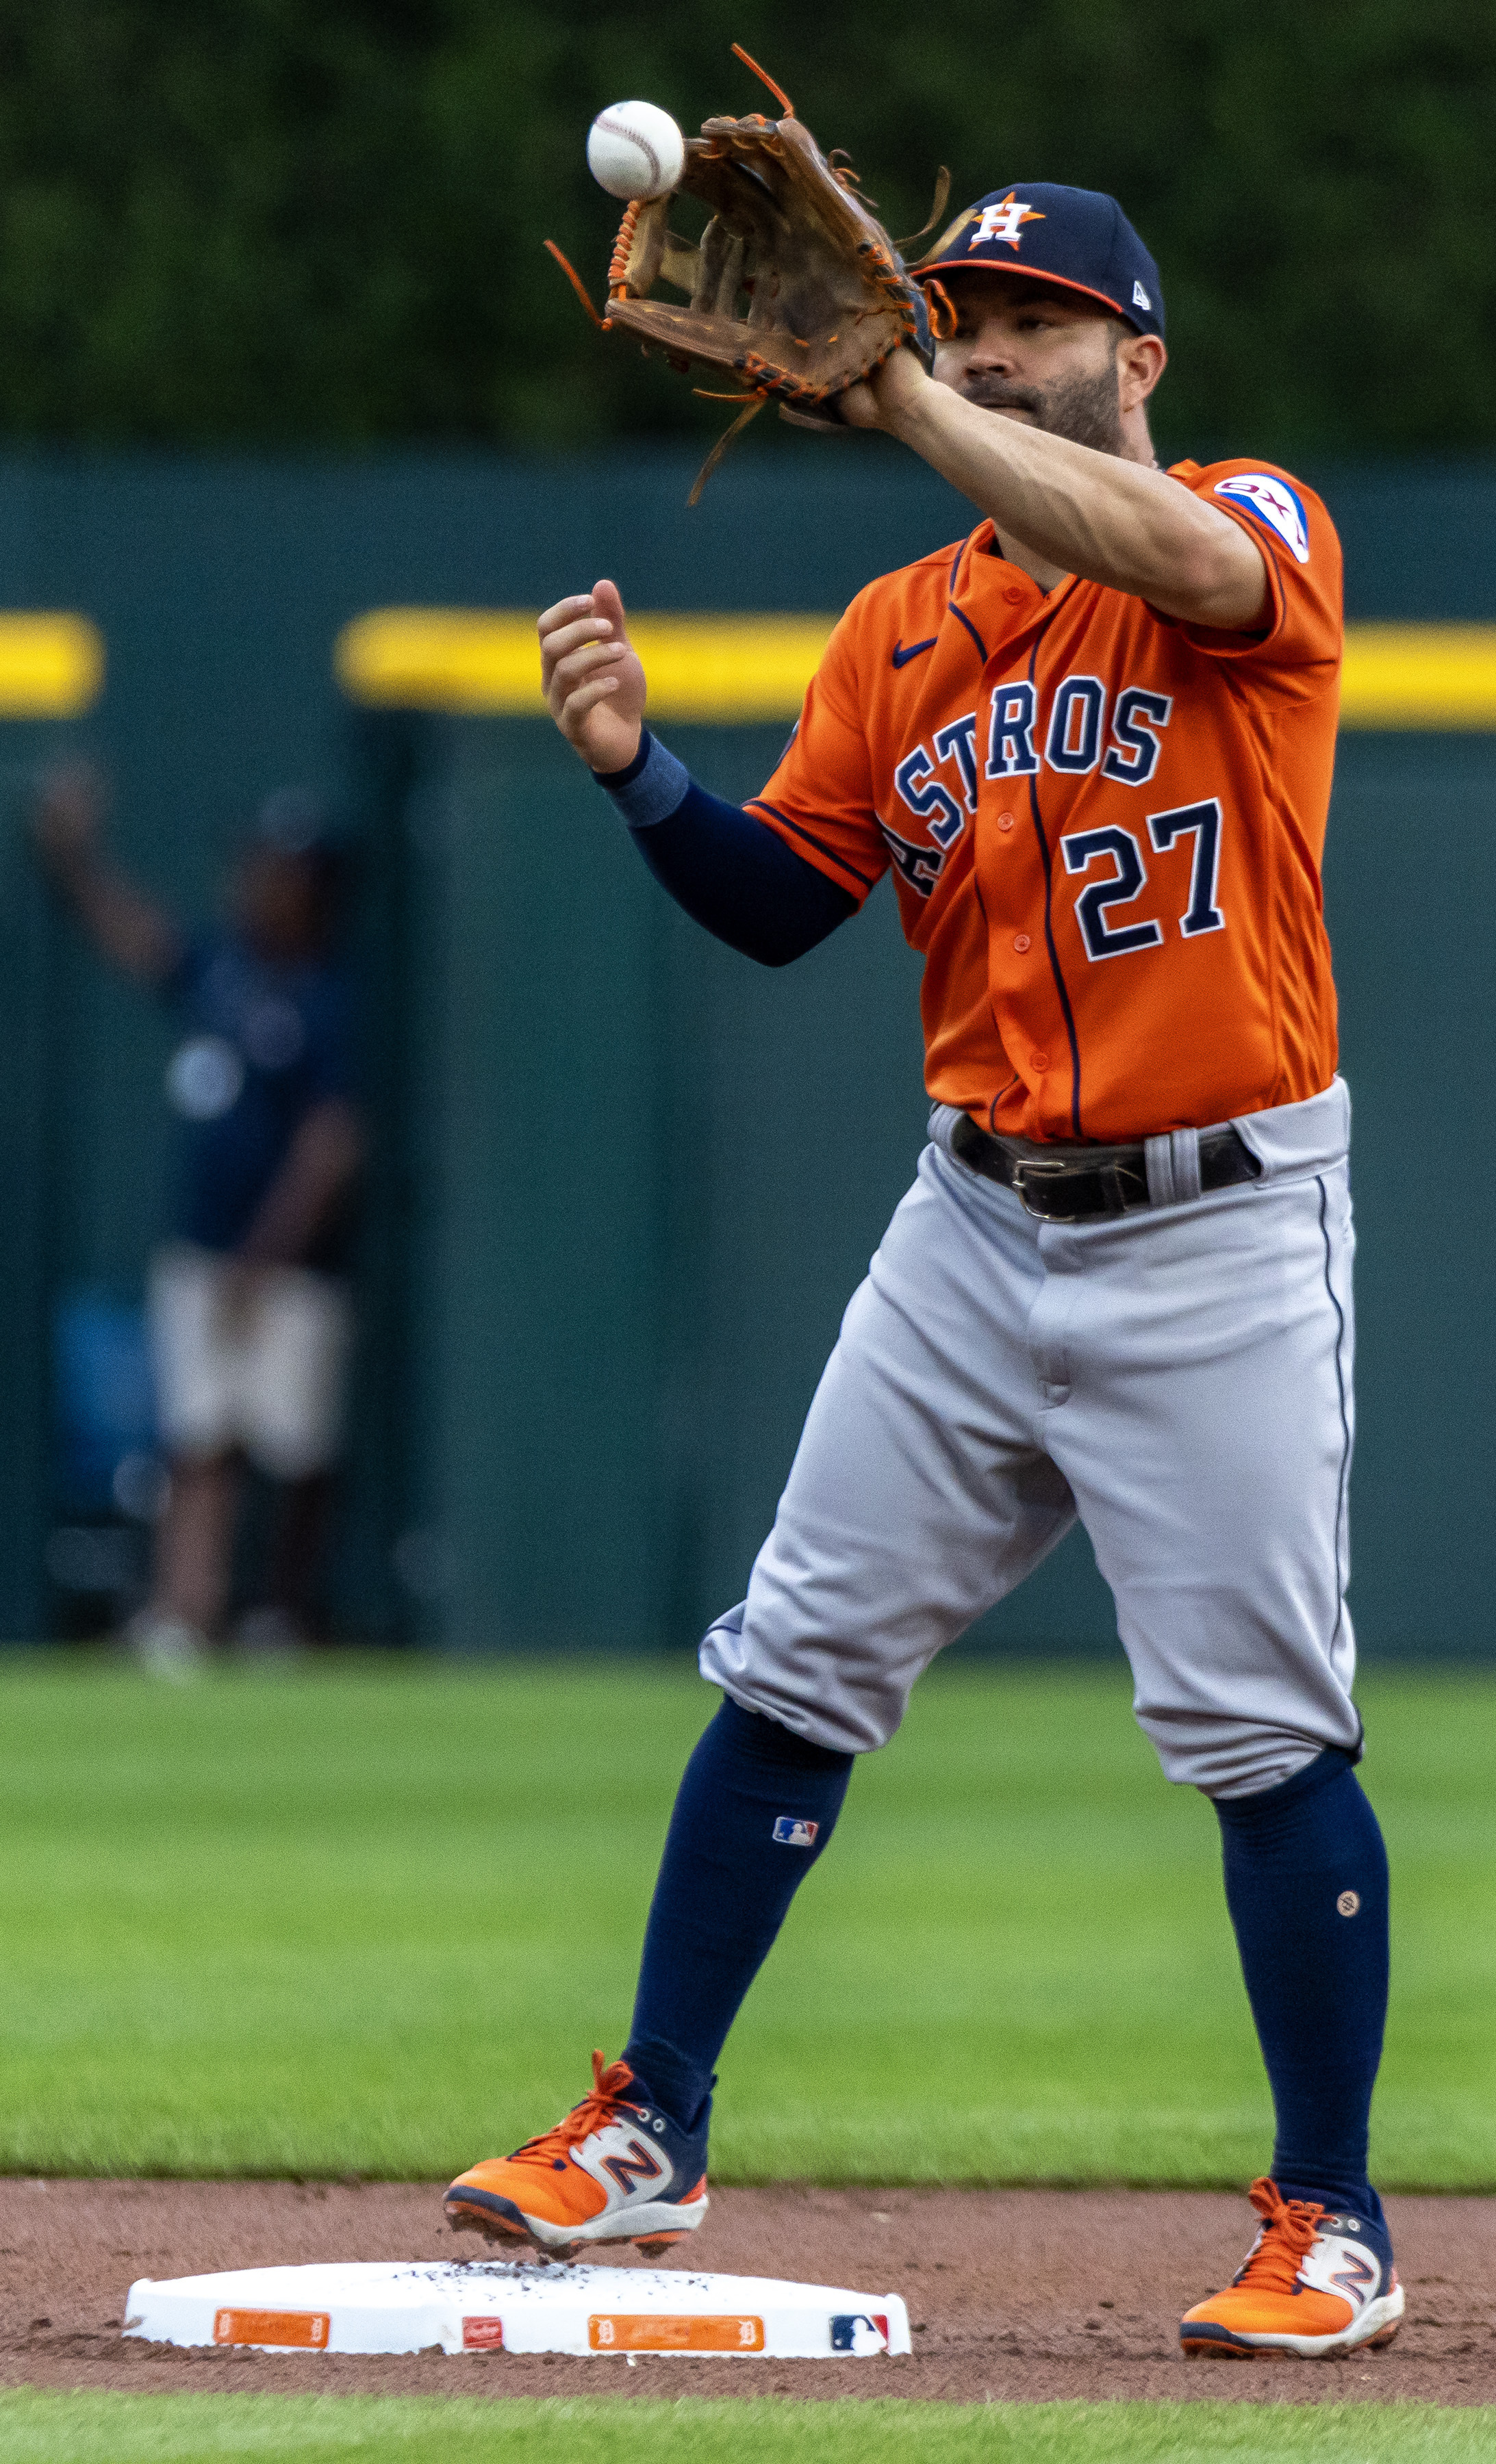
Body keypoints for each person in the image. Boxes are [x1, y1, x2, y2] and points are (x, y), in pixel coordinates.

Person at [445, 183, 1399, 2361]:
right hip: (974, 1222)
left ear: (1138, 360)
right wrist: (631, 773)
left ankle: (1332, 2218)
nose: (981, 346)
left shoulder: (1255, 520)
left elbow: (1169, 557)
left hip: (1225, 1226)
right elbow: (787, 900)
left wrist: (886, 402)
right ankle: (650, 2131)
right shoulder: (900, 631)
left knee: (1263, 1735)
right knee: (795, 1662)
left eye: (1034, 320)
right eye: (957, 314)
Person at [34, 765, 363, 1675]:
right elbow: (138, 939)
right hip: (206, 1254)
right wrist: (74, 861)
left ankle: (281, 1619)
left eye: (286, 871)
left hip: (289, 1268)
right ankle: (187, 1613)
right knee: (200, 1442)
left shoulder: (329, 999)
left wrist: (265, 1255)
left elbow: (333, 1144)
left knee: (295, 1451)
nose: (265, 883)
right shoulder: (223, 969)